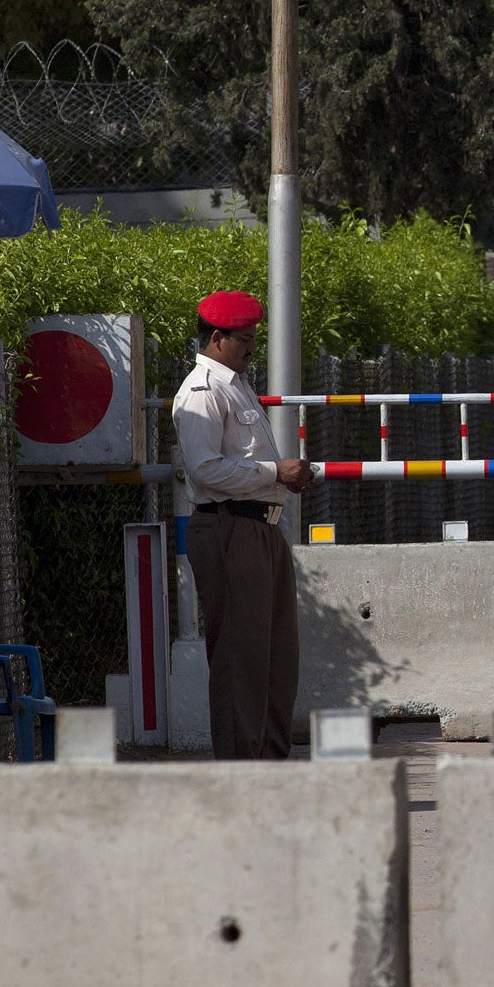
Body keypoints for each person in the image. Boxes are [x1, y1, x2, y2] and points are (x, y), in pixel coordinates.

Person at [171, 289, 318, 760]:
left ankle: (269, 766)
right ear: (217, 338)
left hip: (260, 529)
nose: (252, 348)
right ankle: (241, 774)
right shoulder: (202, 390)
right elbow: (205, 470)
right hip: (230, 528)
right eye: (245, 339)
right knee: (240, 660)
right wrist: (275, 473)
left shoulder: (235, 383)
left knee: (276, 658)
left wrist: (282, 479)